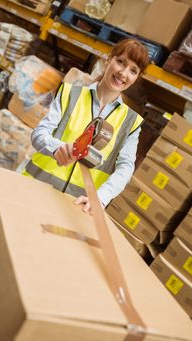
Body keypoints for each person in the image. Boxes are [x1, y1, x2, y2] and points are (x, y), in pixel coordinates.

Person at [23, 38, 149, 213]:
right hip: (34, 189)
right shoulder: (70, 93)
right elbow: (39, 134)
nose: (123, 73)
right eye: (121, 62)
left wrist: (101, 197)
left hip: (74, 207)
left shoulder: (131, 122)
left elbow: (126, 168)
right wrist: (57, 148)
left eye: (133, 71)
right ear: (109, 59)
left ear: (136, 78)